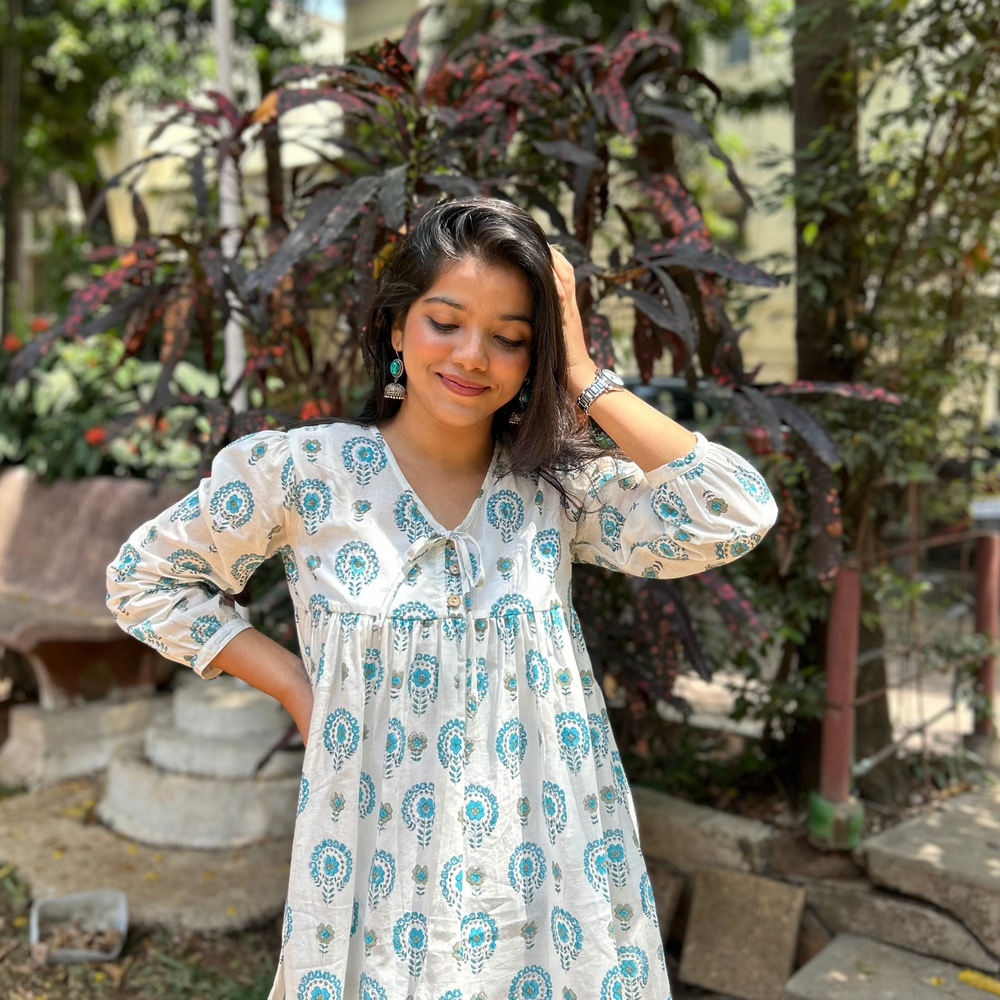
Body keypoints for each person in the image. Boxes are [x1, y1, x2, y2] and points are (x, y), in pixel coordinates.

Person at [106, 197, 777, 1000]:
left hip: (550, 866)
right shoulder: (302, 474)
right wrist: (292, 685)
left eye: (511, 337)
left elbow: (735, 511)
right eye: (445, 322)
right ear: (396, 327)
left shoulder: (556, 491)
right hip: (373, 862)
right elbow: (145, 579)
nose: (472, 355)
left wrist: (584, 374)